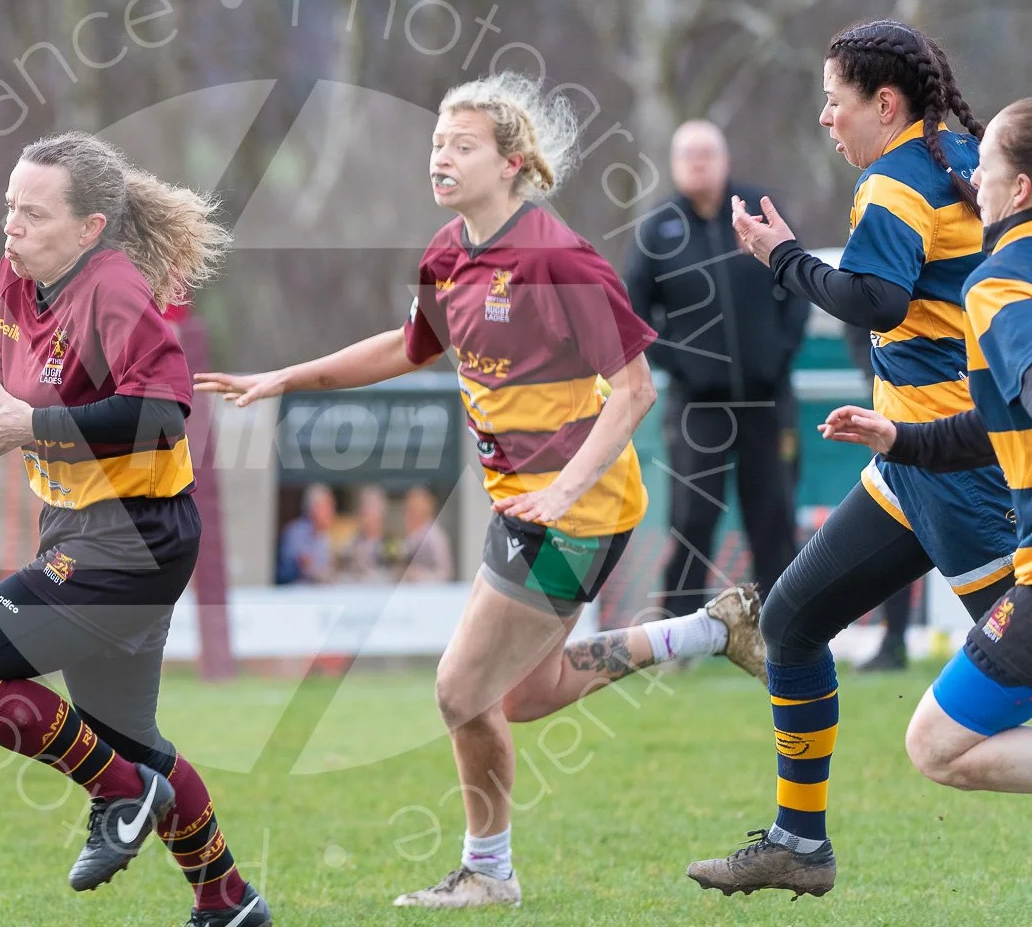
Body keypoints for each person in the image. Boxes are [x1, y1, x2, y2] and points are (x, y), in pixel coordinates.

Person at [196, 71, 766, 910]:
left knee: (460, 690)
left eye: (462, 145)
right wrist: (288, 376)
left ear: (512, 162)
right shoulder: (446, 253)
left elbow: (636, 391)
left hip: (580, 510)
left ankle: (488, 873)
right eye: (435, 143)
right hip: (527, 504)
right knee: (523, 695)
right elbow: (408, 346)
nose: (441, 157)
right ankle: (706, 633)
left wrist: (566, 490)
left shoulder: (557, 257)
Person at [687, 20, 1018, 899]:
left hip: (962, 470)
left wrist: (782, 257)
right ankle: (800, 843)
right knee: (792, 621)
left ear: (884, 102)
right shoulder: (956, 152)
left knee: (1018, 675)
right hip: (911, 461)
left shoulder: (897, 177)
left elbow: (875, 298)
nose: (825, 119)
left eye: (834, 101)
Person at [0, 132, 271, 927]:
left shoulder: (112, 287)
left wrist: (29, 425)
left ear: (90, 229)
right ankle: (229, 903)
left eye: (34, 214)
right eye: (9, 206)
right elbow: (8, 388)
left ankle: (120, 793)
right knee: (128, 735)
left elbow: (160, 414)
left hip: (132, 541)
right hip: (84, 532)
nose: (11, 226)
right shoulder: (19, 279)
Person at [818, 97, 1032, 793]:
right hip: (919, 458)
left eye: (988, 169)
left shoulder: (998, 283)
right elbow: (995, 424)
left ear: (1020, 189)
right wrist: (902, 439)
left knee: (937, 744)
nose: (976, 185)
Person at [626, 120, 811, 612]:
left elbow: (797, 283)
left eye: (706, 153)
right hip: (696, 406)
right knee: (691, 518)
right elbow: (632, 313)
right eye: (688, 155)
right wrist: (680, 362)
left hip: (765, 399)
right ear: (674, 164)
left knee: (772, 514)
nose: (698, 163)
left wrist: (778, 349)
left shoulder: (756, 212)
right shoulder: (659, 227)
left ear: (725, 159)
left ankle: (783, 625)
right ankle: (678, 632)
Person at [842, 322, 913, 671]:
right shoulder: (878, 272)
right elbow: (859, 309)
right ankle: (894, 638)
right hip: (897, 424)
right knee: (900, 529)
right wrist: (882, 376)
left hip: (951, 427)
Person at [276, 483, 337, 584]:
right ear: (314, 508)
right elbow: (306, 567)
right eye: (327, 505)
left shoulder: (330, 534)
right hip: (296, 592)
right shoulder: (296, 533)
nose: (331, 511)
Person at [401, 485, 454, 583]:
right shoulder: (413, 536)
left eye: (411, 510)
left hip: (430, 593)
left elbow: (445, 573)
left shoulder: (435, 537)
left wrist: (420, 575)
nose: (407, 515)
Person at [340, 484, 392, 582]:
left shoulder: (391, 544)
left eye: (372, 507)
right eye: (364, 506)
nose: (366, 512)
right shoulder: (351, 544)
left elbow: (395, 574)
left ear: (382, 511)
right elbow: (342, 573)